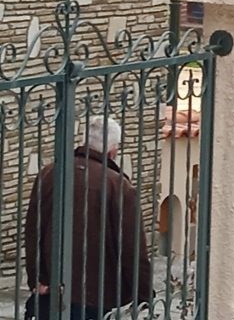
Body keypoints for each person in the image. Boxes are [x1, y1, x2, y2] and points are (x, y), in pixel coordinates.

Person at [25, 116, 152, 320]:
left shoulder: (49, 174)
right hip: (98, 294)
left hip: (52, 289)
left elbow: (33, 230)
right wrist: (144, 293)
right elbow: (132, 248)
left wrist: (37, 278)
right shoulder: (118, 186)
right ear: (112, 151)